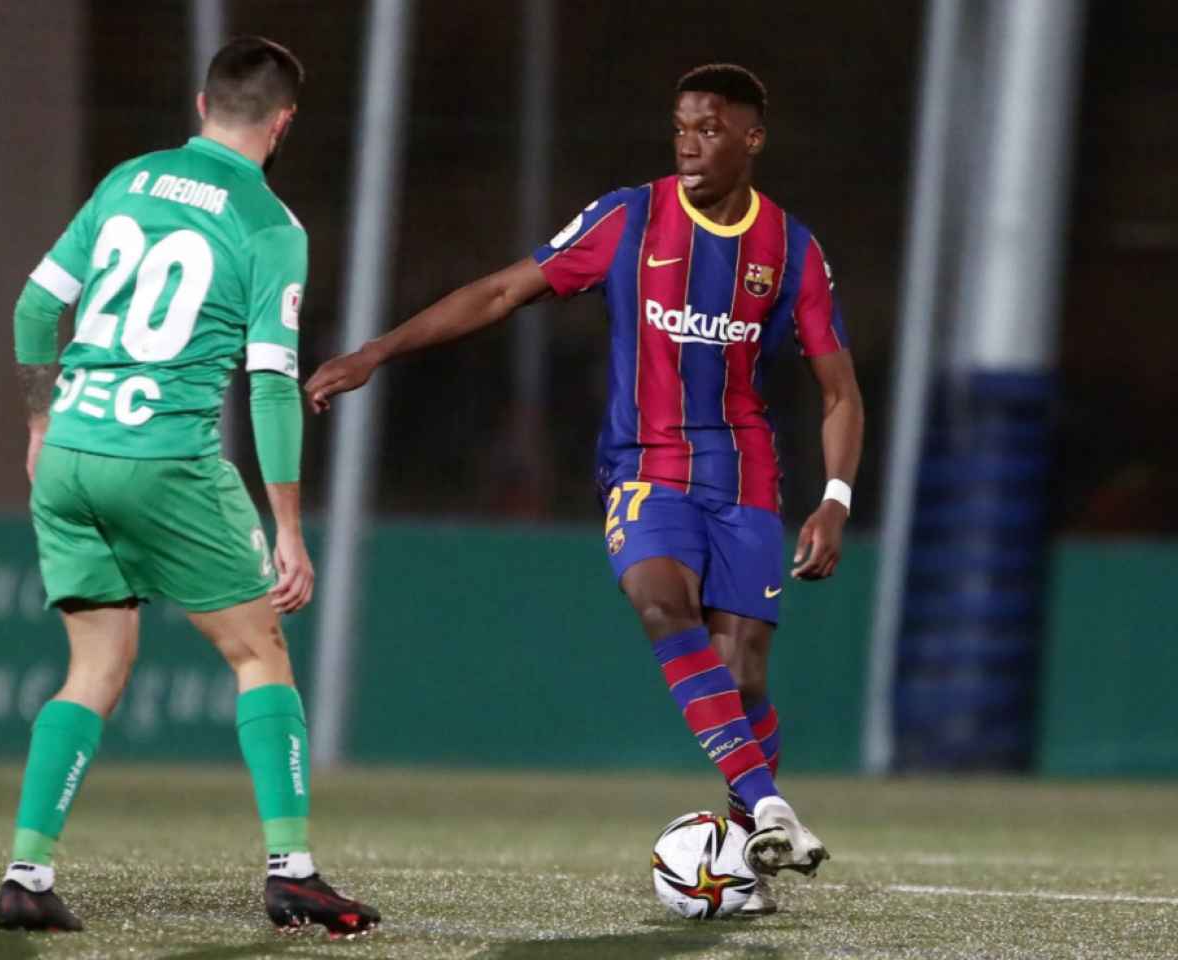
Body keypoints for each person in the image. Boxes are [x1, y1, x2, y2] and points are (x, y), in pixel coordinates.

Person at [307, 63, 865, 915]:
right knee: (657, 597)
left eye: (710, 127)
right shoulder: (629, 219)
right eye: (680, 124)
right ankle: (771, 806)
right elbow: (501, 290)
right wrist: (373, 353)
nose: (688, 141)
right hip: (645, 469)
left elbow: (839, 391)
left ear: (752, 139)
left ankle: (745, 851)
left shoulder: (791, 249)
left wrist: (835, 497)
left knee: (743, 675)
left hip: (745, 481)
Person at [0, 36, 378, 938]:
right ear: (283, 123)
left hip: (72, 451)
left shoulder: (129, 179)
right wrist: (287, 526)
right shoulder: (270, 225)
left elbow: (34, 307)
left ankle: (26, 871)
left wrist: (38, 421)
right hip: (165, 457)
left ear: (201, 108)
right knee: (260, 651)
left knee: (94, 666)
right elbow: (274, 380)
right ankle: (294, 871)